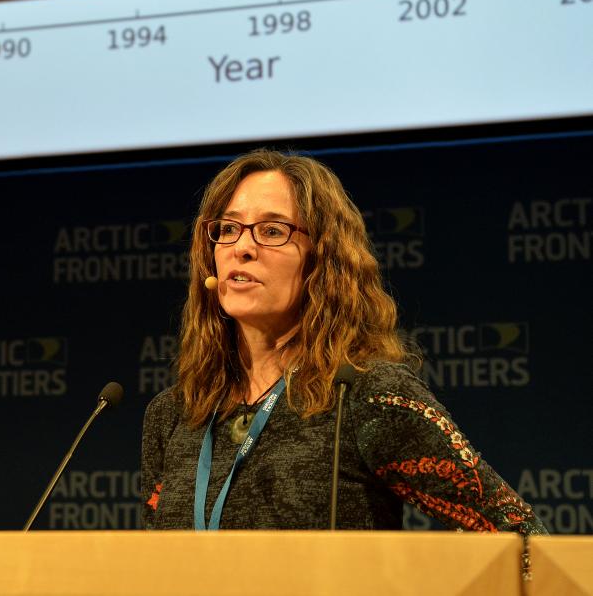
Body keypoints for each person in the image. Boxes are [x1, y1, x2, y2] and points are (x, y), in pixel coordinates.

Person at [141, 149, 547, 534]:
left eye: (271, 230)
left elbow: (519, 536)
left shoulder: (369, 396)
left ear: (322, 260)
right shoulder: (174, 412)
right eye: (228, 229)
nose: (242, 248)